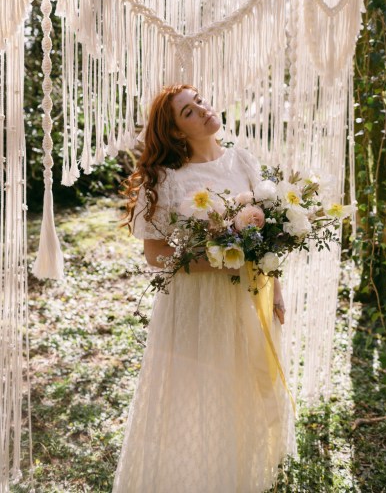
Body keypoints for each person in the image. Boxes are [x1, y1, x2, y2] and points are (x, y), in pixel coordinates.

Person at [112, 84, 296, 493]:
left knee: (245, 384)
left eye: (200, 102)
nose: (203, 110)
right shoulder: (167, 180)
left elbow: (267, 233)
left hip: (249, 295)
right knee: (197, 389)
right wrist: (213, 260)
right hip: (195, 301)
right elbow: (154, 254)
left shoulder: (242, 159)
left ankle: (240, 475)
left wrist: (276, 289)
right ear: (177, 132)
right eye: (188, 112)